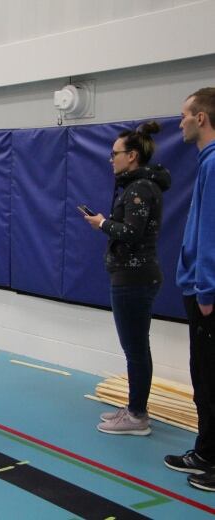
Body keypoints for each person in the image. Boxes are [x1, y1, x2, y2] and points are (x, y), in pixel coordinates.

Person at [82, 122, 170, 436]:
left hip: (135, 277)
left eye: (115, 154)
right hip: (130, 276)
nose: (111, 159)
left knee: (135, 348)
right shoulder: (138, 186)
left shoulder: (140, 189)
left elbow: (131, 233)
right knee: (134, 347)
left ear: (132, 156)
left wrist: (103, 223)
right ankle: (135, 408)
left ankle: (137, 416)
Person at [164, 87, 215, 491]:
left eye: (184, 114)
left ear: (201, 118)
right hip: (199, 288)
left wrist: (207, 291)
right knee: (202, 376)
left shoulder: (214, 165)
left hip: (208, 295)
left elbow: (212, 234)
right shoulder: (206, 163)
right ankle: (206, 449)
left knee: (212, 378)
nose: (179, 121)